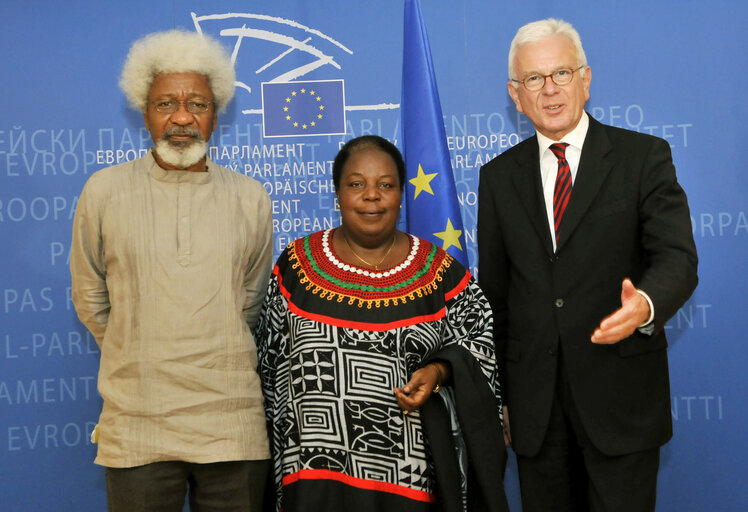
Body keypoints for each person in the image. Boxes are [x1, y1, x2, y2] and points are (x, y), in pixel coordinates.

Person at [477, 18, 698, 512]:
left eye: (562, 73)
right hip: (537, 412)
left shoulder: (643, 157)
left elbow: (677, 258)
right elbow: (496, 298)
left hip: (620, 402)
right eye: (534, 79)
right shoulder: (496, 179)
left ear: (586, 79)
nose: (549, 90)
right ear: (516, 94)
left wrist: (643, 304)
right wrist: (504, 398)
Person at [70, 30, 273, 511]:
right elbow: (90, 298)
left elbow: (250, 302)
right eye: (166, 104)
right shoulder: (103, 192)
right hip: (138, 423)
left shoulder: (250, 197)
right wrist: (139, 348)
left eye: (197, 104)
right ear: (144, 113)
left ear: (216, 115)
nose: (182, 118)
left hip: (231, 424)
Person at [257, 135, 508, 512]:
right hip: (314, 476)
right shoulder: (296, 265)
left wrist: (439, 371)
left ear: (401, 195)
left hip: (410, 479)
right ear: (337, 194)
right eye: (356, 184)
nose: (371, 196)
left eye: (386, 185)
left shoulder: (437, 271)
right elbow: (267, 367)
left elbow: (480, 344)